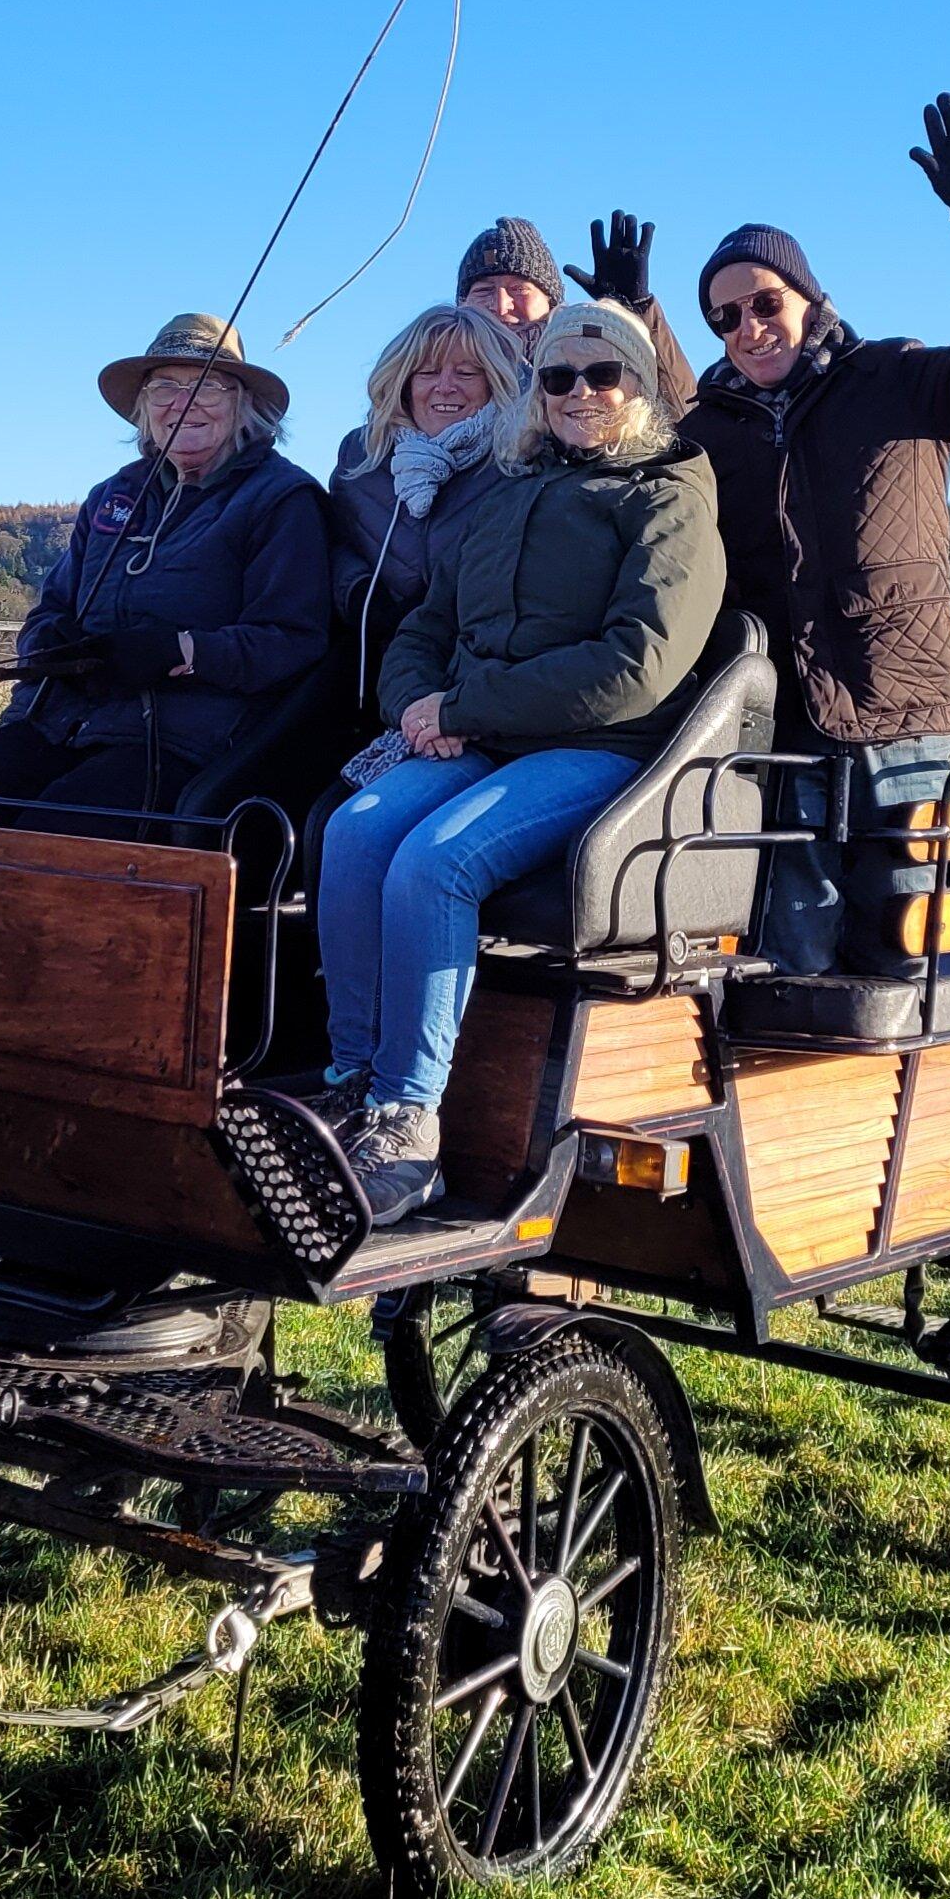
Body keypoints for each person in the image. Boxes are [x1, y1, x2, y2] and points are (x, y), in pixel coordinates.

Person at [316, 296, 723, 1221]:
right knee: (355, 831)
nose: (579, 392)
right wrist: (416, 706)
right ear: (534, 393)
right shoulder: (511, 488)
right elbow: (429, 621)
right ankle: (350, 1075)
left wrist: (465, 705)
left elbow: (638, 665)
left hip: (602, 750)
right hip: (478, 734)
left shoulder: (666, 500)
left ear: (640, 385)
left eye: (602, 374)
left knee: (435, 863)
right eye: (557, 377)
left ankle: (408, 1122)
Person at [680, 95, 950, 964]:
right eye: (724, 318)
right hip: (780, 731)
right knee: (792, 955)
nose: (748, 328)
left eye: (764, 302)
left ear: (809, 298)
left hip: (903, 720)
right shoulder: (709, 431)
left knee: (906, 946)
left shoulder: (896, 380)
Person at [0, 311, 332, 832]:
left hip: (177, 745)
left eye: (208, 386)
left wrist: (182, 651)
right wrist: (50, 642)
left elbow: (293, 640)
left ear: (244, 405)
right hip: (56, 723)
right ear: (143, 406)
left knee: (46, 840)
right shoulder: (112, 496)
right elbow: (49, 610)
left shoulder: (282, 499)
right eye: (165, 385)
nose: (183, 403)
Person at [328, 300, 526, 723]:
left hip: (468, 683)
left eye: (467, 373)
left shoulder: (517, 463)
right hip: (370, 675)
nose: (446, 386)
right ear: (403, 381)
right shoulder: (362, 457)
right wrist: (358, 590)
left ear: (495, 382)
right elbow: (332, 541)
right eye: (428, 372)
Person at [456, 208, 697, 413]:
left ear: (551, 302)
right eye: (484, 291)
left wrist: (635, 316)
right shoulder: (433, 374)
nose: (500, 305)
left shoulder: (591, 370)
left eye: (519, 289)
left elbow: (685, 422)